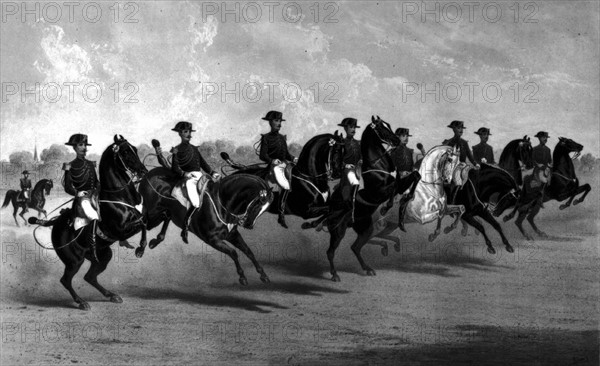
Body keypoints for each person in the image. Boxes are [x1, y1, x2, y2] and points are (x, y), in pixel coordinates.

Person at [168, 121, 220, 244]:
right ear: (180, 133)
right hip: (189, 178)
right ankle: (186, 225)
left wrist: (213, 173)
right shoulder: (176, 150)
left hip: (201, 176)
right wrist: (184, 174)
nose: (188, 134)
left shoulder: (194, 149)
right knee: (196, 202)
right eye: (185, 132)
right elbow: (175, 167)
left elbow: (203, 163)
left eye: (189, 132)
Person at [63, 133, 100, 260]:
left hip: (94, 196)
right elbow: (67, 187)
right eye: (80, 145)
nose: (84, 147)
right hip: (82, 199)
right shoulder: (69, 165)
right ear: (74, 147)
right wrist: (77, 193)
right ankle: (93, 248)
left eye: (85, 145)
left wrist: (100, 189)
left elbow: (96, 182)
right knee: (94, 216)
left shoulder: (90, 164)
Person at [258, 110, 297, 228]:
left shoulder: (282, 138)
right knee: (285, 185)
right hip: (275, 166)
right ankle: (281, 215)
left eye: (280, 121)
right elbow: (262, 155)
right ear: (270, 122)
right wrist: (272, 160)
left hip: (285, 164)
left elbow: (286, 154)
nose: (279, 123)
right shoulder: (266, 138)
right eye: (276, 121)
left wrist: (293, 158)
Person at [381, 128, 421, 232]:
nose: (406, 138)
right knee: (416, 175)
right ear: (397, 137)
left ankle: (401, 219)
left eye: (407, 136)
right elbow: (390, 165)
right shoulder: (394, 150)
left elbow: (412, 166)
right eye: (403, 136)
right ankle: (391, 203)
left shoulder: (409, 151)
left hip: (408, 178)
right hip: (398, 179)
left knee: (417, 175)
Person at [336, 118, 362, 224]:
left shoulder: (358, 143)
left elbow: (361, 156)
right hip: (348, 171)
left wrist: (361, 160)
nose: (353, 129)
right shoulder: (342, 142)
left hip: (358, 170)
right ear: (345, 128)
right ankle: (352, 213)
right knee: (355, 183)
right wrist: (344, 165)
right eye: (351, 127)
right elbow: (337, 159)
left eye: (354, 127)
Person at [531, 131, 552, 207]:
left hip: (547, 169)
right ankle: (538, 199)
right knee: (541, 181)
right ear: (539, 138)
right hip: (538, 169)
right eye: (543, 137)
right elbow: (532, 160)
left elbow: (550, 160)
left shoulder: (548, 149)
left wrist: (550, 164)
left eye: (546, 138)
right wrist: (537, 164)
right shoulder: (535, 149)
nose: (545, 139)